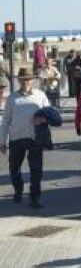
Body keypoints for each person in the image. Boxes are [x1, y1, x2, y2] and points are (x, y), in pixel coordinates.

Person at [0, 67, 50, 208]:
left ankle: (35, 197)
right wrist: (2, 141)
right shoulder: (12, 98)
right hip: (16, 138)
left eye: (28, 79)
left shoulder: (40, 95)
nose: (26, 82)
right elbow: (5, 121)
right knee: (14, 169)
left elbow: (50, 114)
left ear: (32, 80)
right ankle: (18, 190)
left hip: (35, 138)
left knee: (36, 170)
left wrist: (43, 120)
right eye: (23, 79)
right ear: (19, 80)